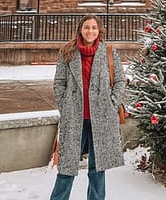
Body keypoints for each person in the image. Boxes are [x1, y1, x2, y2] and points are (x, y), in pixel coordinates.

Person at [50, 14, 125, 200]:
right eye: (86, 27)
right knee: (67, 166)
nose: (90, 31)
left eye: (93, 27)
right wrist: (64, 105)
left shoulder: (108, 51)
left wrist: (112, 103)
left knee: (97, 167)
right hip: (74, 117)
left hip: (101, 117)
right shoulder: (67, 51)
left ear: (99, 30)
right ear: (80, 29)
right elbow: (59, 82)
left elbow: (120, 81)